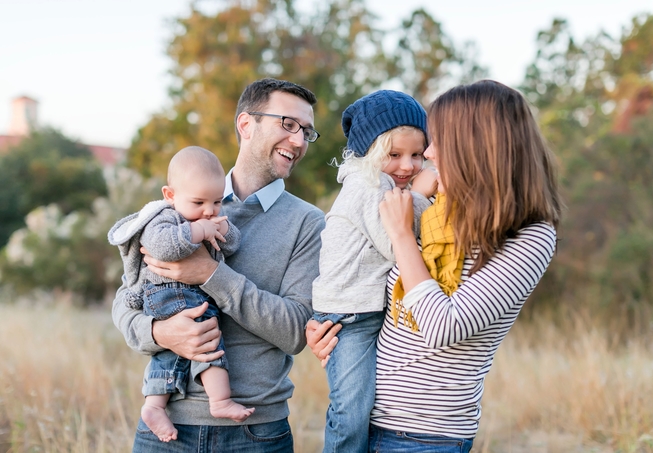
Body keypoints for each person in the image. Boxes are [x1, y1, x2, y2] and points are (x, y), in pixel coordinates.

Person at [307, 80, 563, 452]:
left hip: (422, 437)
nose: (428, 152)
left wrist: (401, 236)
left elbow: (442, 326)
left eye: (437, 140)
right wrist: (334, 332)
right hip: (368, 420)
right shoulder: (439, 212)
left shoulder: (529, 235)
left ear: (473, 145)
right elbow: (384, 292)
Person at [112, 78, 326, 452]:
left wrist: (211, 274)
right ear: (246, 124)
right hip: (167, 428)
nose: (299, 140)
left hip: (256, 433)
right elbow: (125, 300)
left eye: (306, 131)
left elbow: (295, 331)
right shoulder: (185, 200)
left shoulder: (308, 223)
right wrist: (161, 334)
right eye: (288, 124)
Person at [311, 90, 438, 453]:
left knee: (372, 408)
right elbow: (394, 242)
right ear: (369, 152)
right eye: (394, 155)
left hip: (368, 312)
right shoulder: (366, 186)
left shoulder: (383, 184)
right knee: (351, 412)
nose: (408, 166)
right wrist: (422, 197)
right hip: (347, 318)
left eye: (417, 155)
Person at [108, 146, 255, 443]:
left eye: (216, 201)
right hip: (169, 290)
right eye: (199, 202)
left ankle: (154, 405)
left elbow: (231, 245)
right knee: (207, 337)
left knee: (173, 352)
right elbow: (162, 247)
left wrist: (223, 230)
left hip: (177, 294)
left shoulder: (207, 217)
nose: (209, 211)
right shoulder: (162, 218)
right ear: (170, 195)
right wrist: (199, 231)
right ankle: (220, 399)